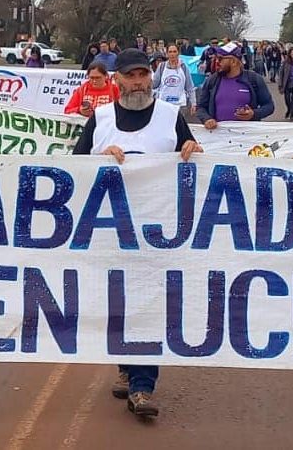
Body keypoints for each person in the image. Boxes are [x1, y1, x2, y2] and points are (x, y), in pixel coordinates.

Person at [72, 49, 203, 419]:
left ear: (152, 77)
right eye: (130, 76)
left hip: (158, 233)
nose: (138, 82)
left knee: (149, 305)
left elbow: (193, 159)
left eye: (144, 74)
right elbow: (72, 169)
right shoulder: (99, 119)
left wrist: (194, 148)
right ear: (117, 81)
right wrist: (99, 158)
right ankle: (127, 367)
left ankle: (143, 387)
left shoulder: (169, 117)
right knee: (118, 304)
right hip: (109, 234)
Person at [195, 41, 275, 128]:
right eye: (216, 58)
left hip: (247, 136)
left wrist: (253, 114)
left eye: (221, 58)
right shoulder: (212, 80)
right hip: (218, 137)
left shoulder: (254, 79)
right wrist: (206, 119)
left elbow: (269, 106)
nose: (217, 62)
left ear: (233, 61)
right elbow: (201, 107)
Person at [153, 44, 196, 118]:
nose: (172, 54)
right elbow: (154, 85)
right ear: (167, 54)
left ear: (178, 53)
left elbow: (189, 87)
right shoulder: (162, 66)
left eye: (174, 51)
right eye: (170, 52)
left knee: (179, 127)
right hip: (164, 104)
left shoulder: (183, 67)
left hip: (180, 105)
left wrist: (193, 103)